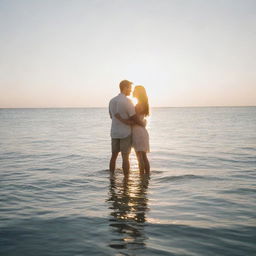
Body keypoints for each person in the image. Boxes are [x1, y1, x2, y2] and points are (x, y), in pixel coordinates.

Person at [109, 80, 145, 177]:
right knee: (125, 157)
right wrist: (141, 123)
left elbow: (111, 116)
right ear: (125, 88)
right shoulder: (128, 101)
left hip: (114, 132)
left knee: (113, 156)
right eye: (130, 88)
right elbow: (133, 117)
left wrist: (120, 119)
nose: (131, 91)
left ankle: (111, 178)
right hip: (125, 133)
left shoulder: (112, 101)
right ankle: (126, 179)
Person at [115, 85, 150, 175]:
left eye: (135, 90)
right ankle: (146, 178)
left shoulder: (138, 105)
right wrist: (143, 123)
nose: (133, 91)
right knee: (144, 156)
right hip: (142, 131)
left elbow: (135, 120)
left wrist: (120, 118)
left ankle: (142, 177)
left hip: (138, 132)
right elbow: (139, 120)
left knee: (139, 157)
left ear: (138, 92)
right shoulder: (144, 104)